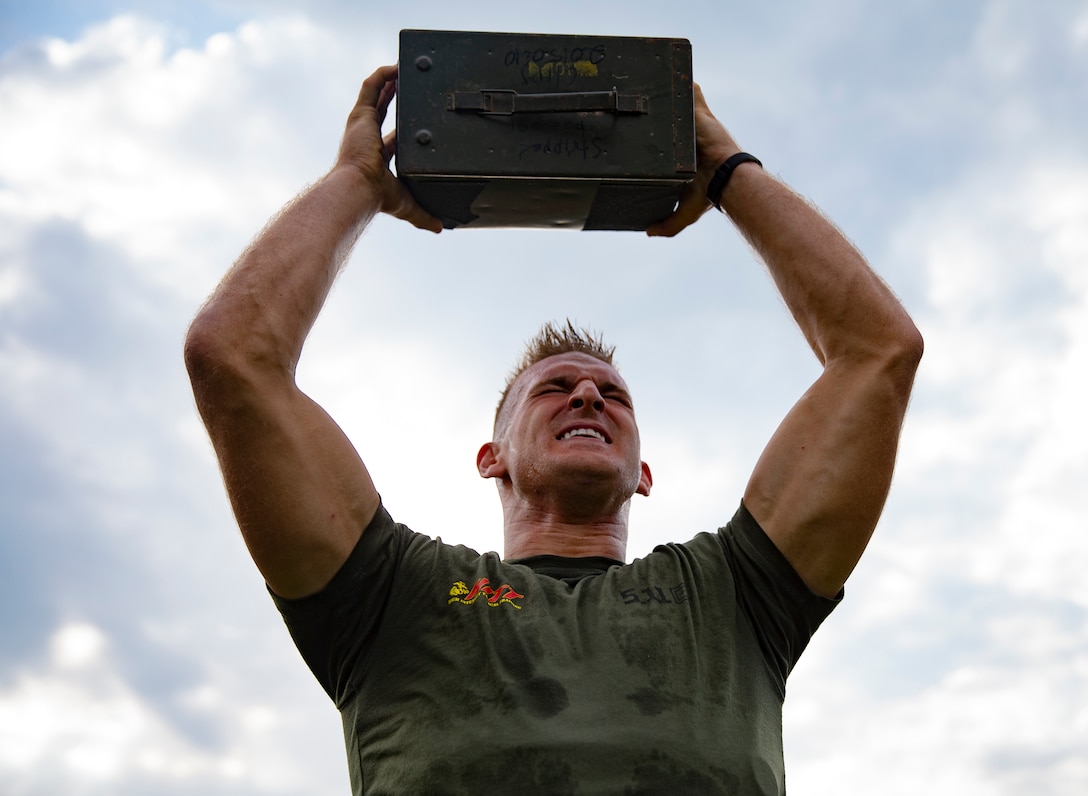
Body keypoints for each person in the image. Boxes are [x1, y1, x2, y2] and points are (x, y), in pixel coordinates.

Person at [184, 63, 922, 794]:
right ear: (490, 458)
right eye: (556, 388)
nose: (590, 400)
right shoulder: (395, 597)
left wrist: (726, 169)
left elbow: (880, 352)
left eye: (613, 396)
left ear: (644, 473)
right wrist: (357, 182)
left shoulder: (734, 599)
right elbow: (233, 357)